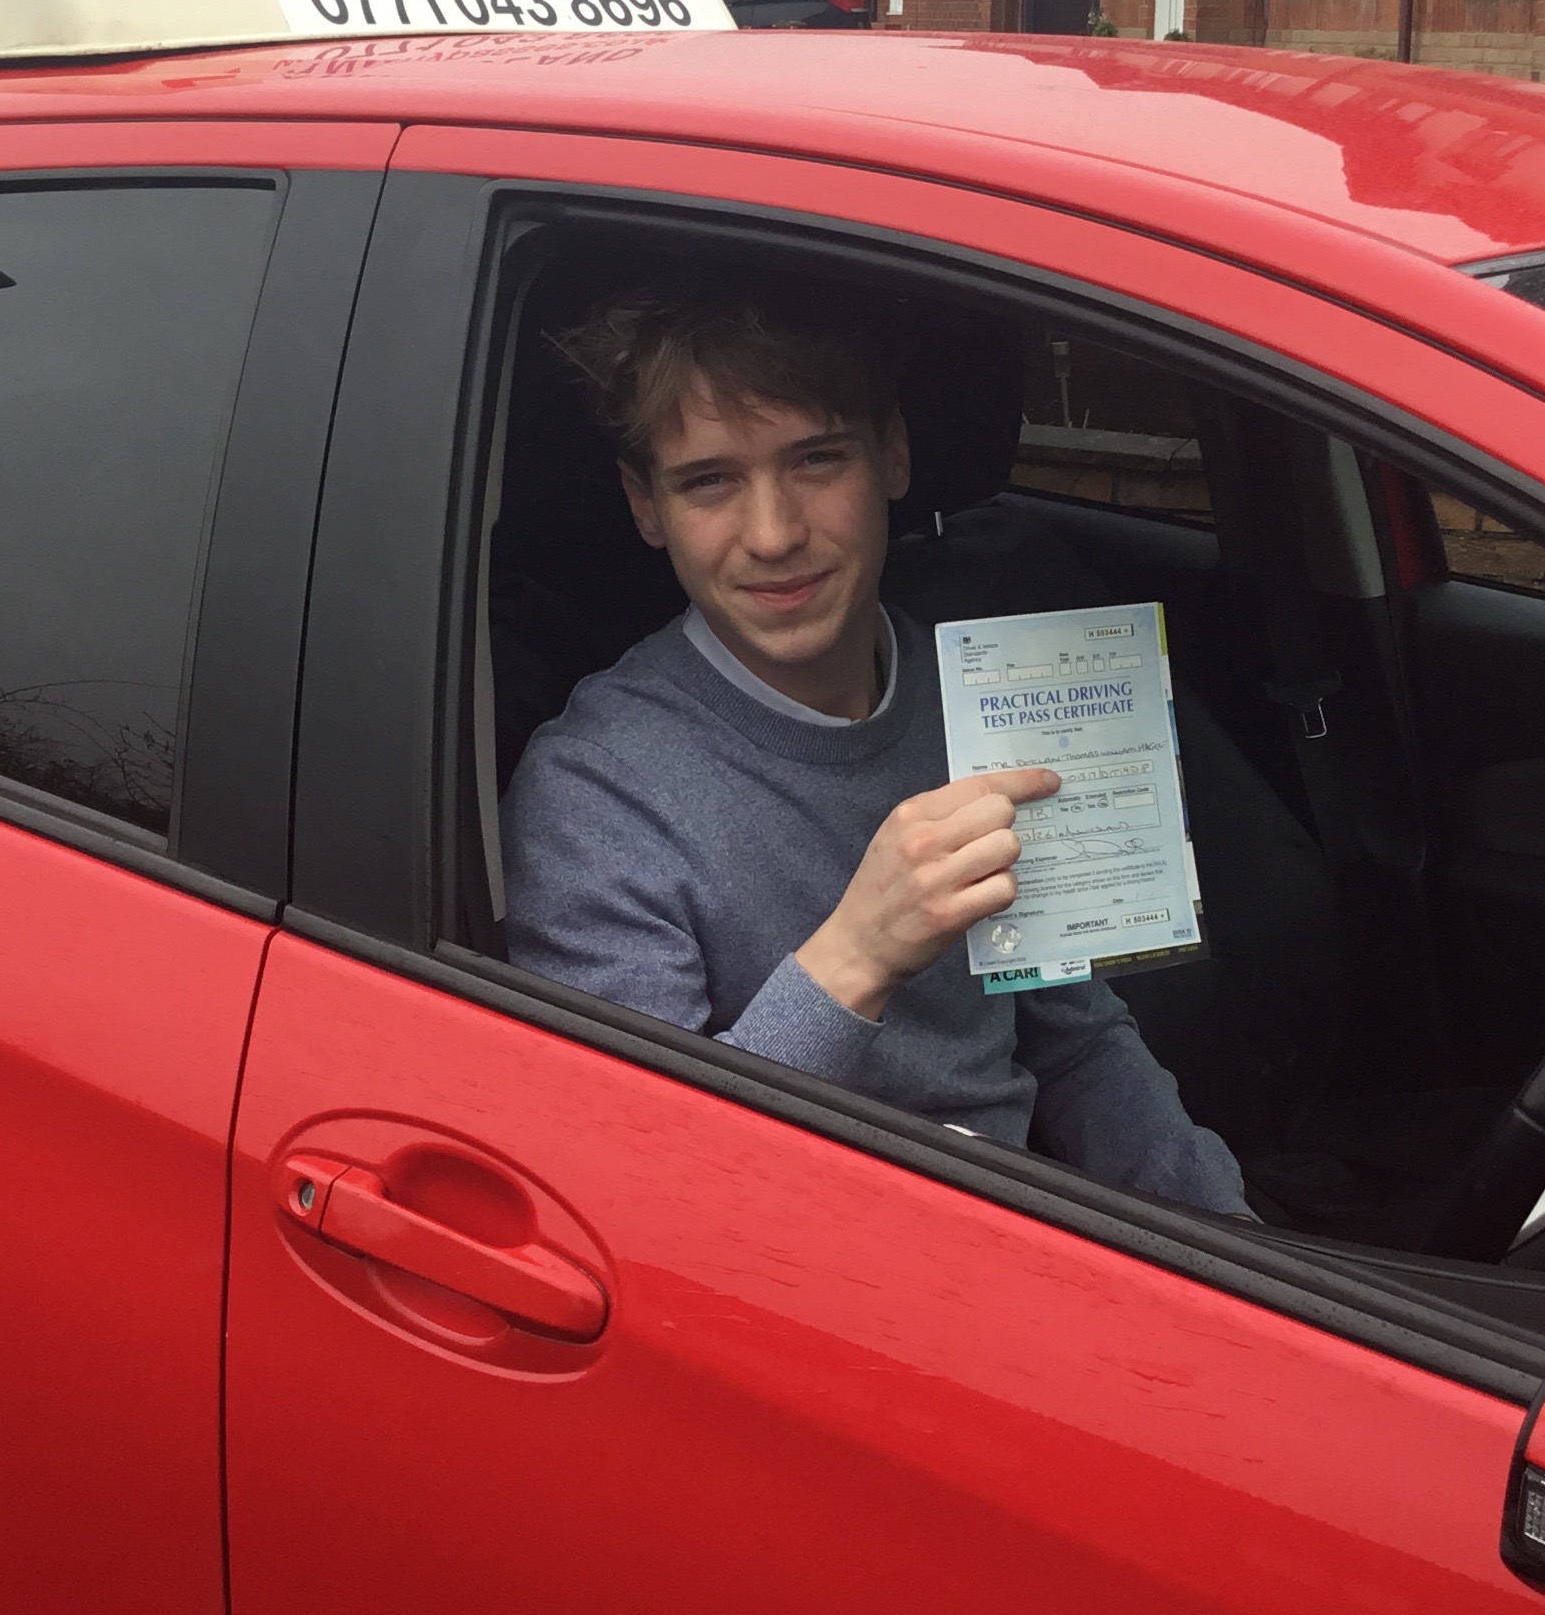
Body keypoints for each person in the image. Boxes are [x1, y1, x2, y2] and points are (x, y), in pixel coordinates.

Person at [501, 277, 1250, 1216]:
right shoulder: (594, 794)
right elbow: (648, 1194)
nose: (773, 535)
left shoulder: (983, 701)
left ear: (892, 455)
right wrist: (855, 957)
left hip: (1023, 1232)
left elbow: (1076, 1037)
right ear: (645, 506)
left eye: (816, 461)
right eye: (710, 481)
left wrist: (1237, 1240)